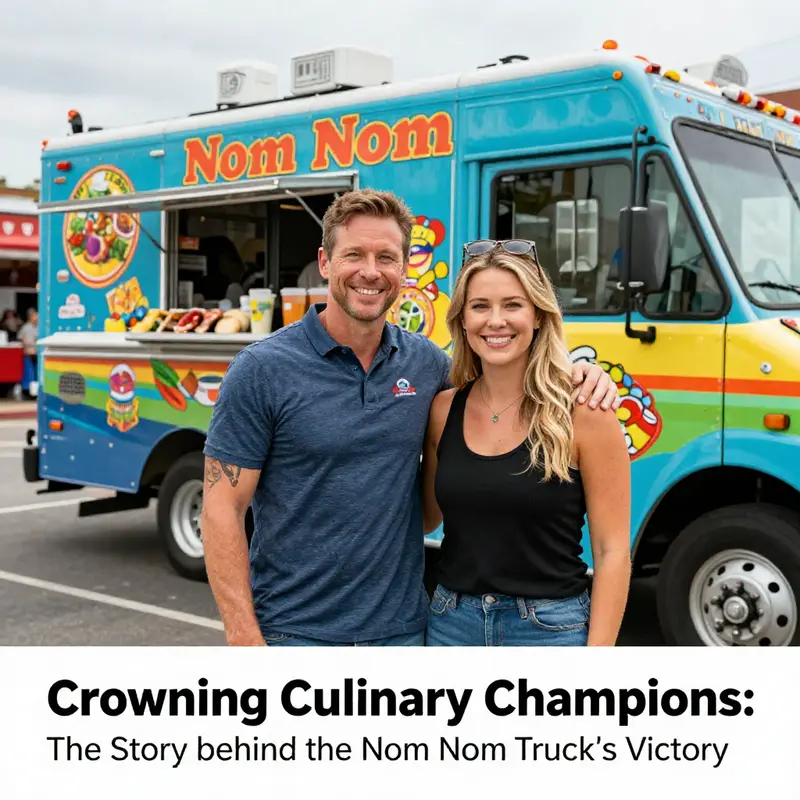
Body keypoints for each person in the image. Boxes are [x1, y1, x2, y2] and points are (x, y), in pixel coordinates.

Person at [201, 189, 622, 647]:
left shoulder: (427, 369)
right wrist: (243, 637)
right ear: (324, 262)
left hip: (405, 633)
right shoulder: (261, 369)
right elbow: (222, 508)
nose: (370, 271)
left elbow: (507, 371)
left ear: (404, 269)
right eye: (354, 255)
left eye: (386, 256)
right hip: (294, 634)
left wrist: (580, 373)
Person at [421, 240, 631, 647]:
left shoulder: (585, 411)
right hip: (451, 625)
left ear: (538, 315)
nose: (495, 320)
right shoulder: (443, 410)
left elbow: (612, 552)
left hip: (550, 630)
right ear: (462, 320)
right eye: (480, 306)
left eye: (512, 305)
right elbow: (426, 519)